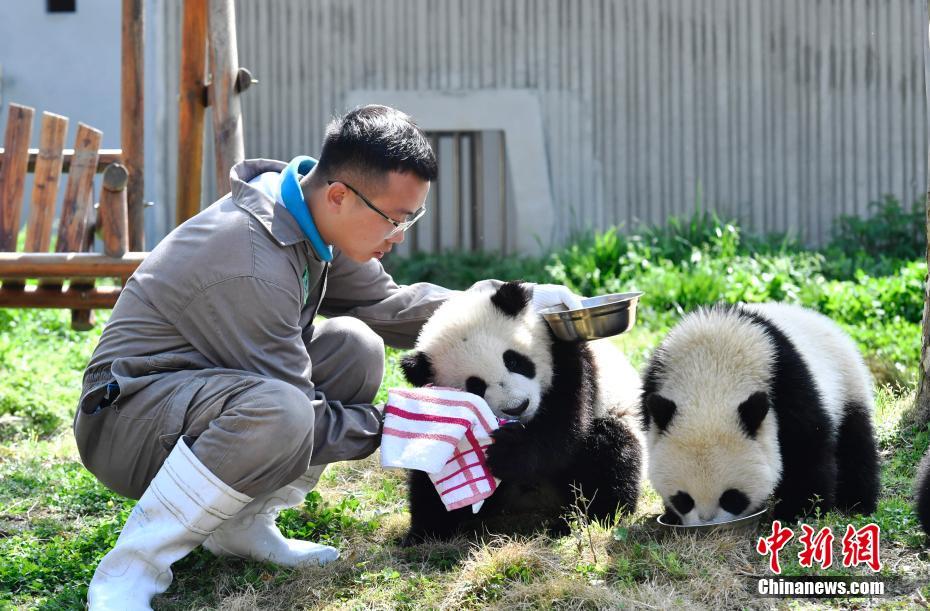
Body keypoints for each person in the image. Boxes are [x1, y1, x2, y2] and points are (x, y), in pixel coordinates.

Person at [75, 104, 583, 610]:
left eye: (412, 217)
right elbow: (298, 415)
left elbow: (386, 306)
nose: (400, 235)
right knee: (280, 412)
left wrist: (517, 299)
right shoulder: (253, 259)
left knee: (355, 347)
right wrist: (407, 426)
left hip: (197, 397)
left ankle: (243, 524)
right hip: (127, 423)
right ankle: (131, 570)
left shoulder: (307, 217)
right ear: (341, 195)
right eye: (394, 219)